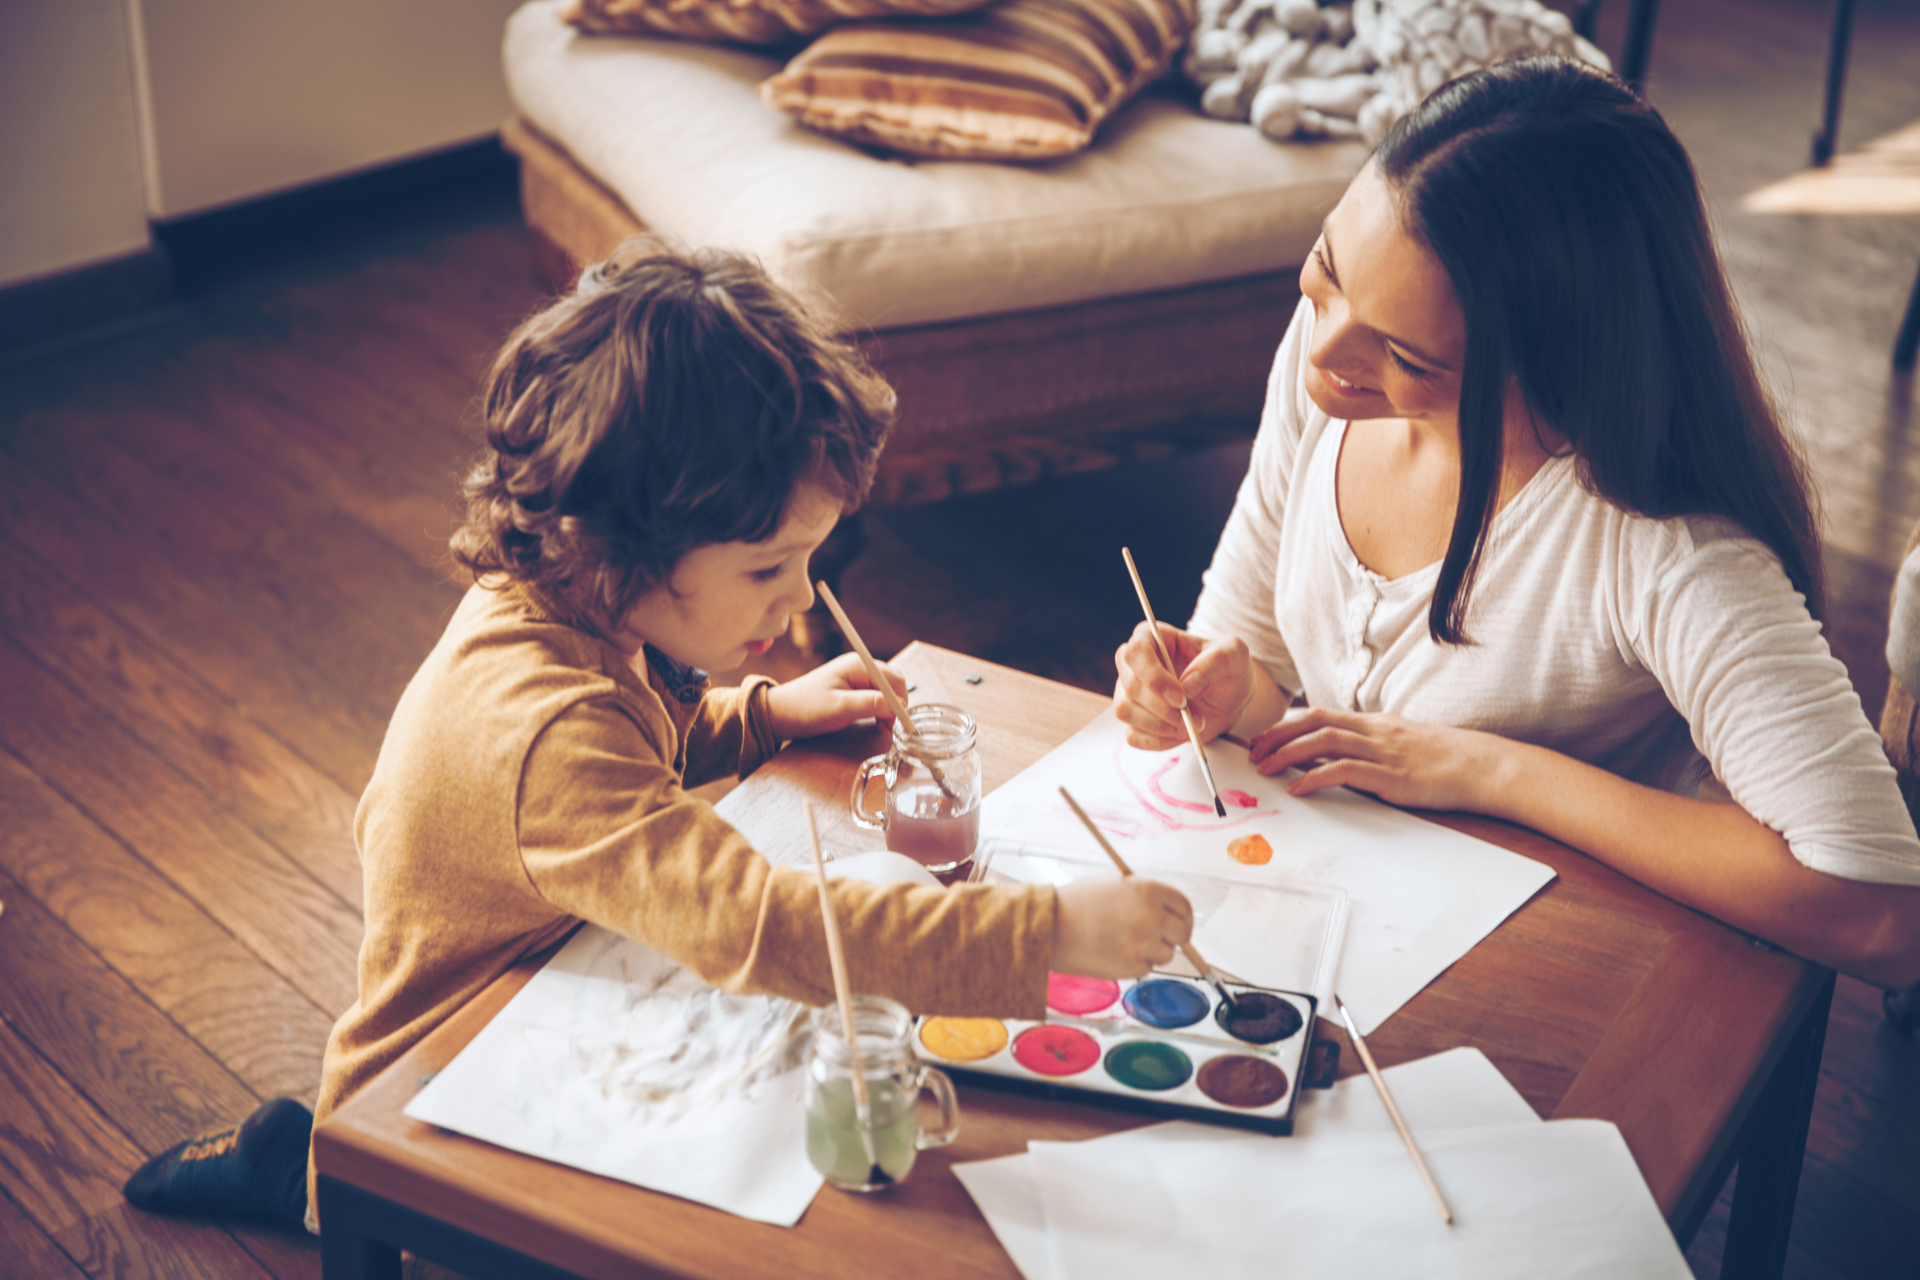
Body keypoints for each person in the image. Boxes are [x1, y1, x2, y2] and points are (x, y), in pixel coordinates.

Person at [124, 238, 1193, 1231]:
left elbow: (641, 744)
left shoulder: (582, 603)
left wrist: (764, 715)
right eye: (768, 566)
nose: (802, 597)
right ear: (621, 538)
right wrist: (1048, 935)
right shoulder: (541, 728)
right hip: (441, 1081)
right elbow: (768, 926)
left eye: (810, 558)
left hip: (569, 965)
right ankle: (296, 1164)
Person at [1112, 57, 1920, 992]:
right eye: (1328, 271)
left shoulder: (1662, 547)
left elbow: (1882, 912)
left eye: (1406, 354)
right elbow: (1253, 659)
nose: (1327, 353)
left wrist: (1498, 774)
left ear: (1550, 359)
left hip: (1543, 983)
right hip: (1337, 933)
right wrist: (1225, 692)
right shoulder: (1334, 355)